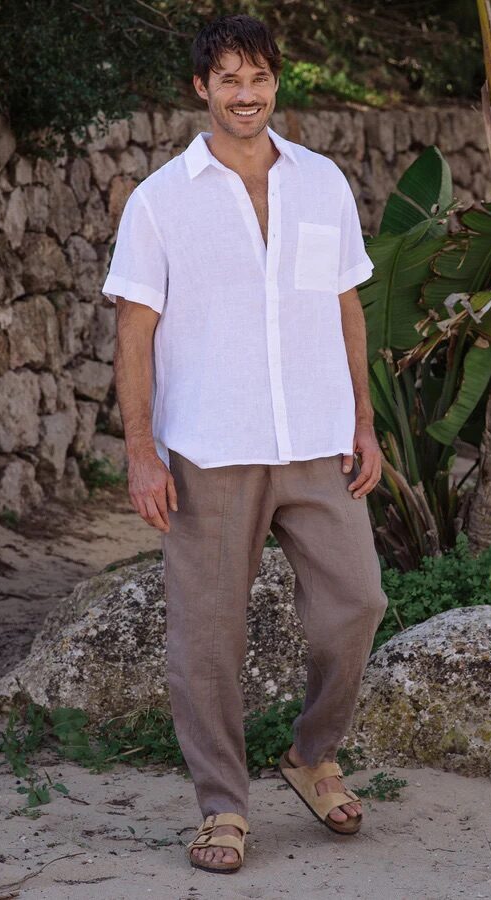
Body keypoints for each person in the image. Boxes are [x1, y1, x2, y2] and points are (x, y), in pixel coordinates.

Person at [102, 13, 389, 875]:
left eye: (258, 78)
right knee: (207, 639)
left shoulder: (321, 182)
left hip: (315, 437)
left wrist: (363, 421)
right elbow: (134, 330)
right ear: (201, 88)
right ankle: (222, 807)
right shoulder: (160, 200)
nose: (244, 94)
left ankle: (311, 755)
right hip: (210, 445)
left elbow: (344, 306)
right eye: (227, 79)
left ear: (275, 84)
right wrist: (141, 451)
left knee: (357, 603)